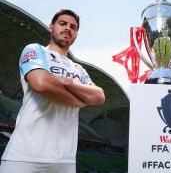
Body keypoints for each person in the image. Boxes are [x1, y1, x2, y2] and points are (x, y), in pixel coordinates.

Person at [0, 9, 105, 173]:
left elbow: (99, 96)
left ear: (76, 34)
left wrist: (67, 82)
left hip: (65, 161)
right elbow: (41, 83)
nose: (68, 29)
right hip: (25, 156)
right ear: (51, 27)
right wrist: (79, 99)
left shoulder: (79, 69)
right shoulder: (36, 50)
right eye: (62, 23)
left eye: (73, 27)